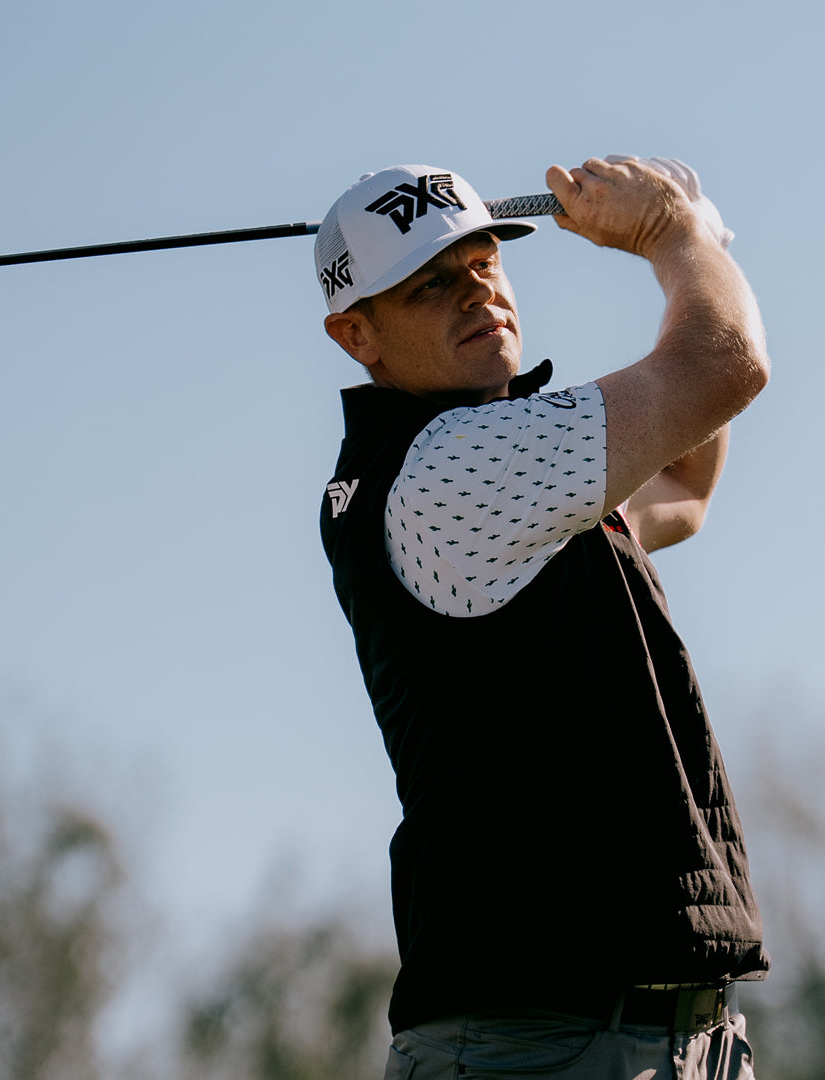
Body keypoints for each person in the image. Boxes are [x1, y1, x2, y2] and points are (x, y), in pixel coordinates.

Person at [318, 155, 771, 1079]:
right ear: (357, 333)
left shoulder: (502, 466)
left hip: (647, 1037)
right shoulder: (451, 467)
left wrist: (702, 246)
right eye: (429, 283)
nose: (475, 290)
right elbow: (723, 366)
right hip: (544, 1045)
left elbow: (684, 483)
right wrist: (673, 237)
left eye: (485, 261)